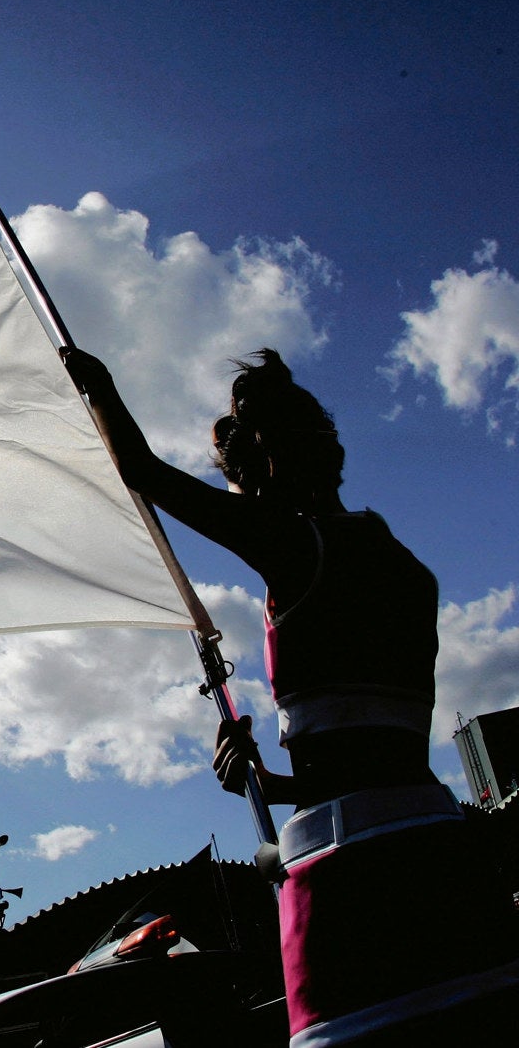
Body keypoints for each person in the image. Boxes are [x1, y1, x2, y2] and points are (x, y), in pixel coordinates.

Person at [62, 346, 519, 1047]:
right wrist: (270, 784)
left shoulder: (295, 543)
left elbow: (143, 472)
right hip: (447, 862)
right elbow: (375, 761)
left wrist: (98, 387)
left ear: (266, 470)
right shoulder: (407, 571)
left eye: (238, 490)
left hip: (349, 885)